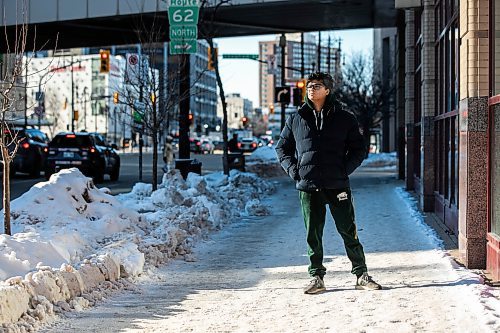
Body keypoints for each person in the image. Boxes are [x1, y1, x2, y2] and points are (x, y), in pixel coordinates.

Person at [275, 72, 382, 294]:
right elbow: (282, 148)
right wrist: (295, 172)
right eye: (309, 85)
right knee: (312, 234)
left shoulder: (345, 118)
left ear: (327, 90)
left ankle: (361, 274)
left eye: (317, 85)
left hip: (338, 185)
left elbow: (359, 148)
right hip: (308, 186)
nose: (311, 88)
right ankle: (317, 278)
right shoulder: (296, 118)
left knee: (348, 230)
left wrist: (344, 170)